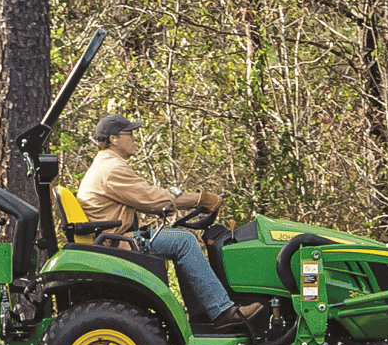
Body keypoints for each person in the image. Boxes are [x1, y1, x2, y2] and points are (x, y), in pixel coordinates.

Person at [76, 114, 263, 329]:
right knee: (183, 241)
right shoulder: (111, 169)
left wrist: (185, 197)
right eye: (130, 134)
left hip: (114, 237)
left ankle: (202, 315)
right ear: (113, 139)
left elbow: (155, 193)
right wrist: (199, 199)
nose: (135, 139)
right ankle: (221, 311)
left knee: (180, 239)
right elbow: (155, 200)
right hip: (116, 242)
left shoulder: (108, 165)